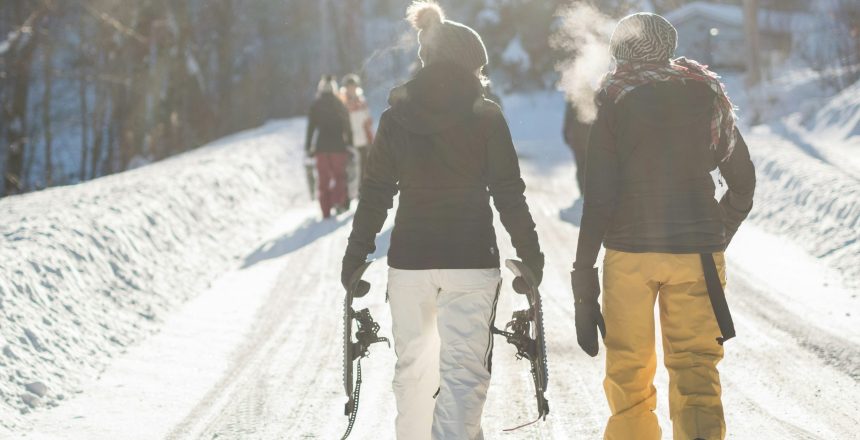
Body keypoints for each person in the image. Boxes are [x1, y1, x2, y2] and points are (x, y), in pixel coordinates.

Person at [340, 2, 543, 438]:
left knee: (412, 370)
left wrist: (355, 256)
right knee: (463, 375)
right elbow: (509, 193)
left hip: (410, 261)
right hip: (471, 259)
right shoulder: (486, 116)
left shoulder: (397, 117)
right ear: (471, 65)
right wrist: (531, 256)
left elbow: (375, 192)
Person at [569, 13, 756, 440]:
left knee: (630, 373)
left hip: (630, 256)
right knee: (695, 369)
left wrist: (583, 276)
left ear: (621, 51)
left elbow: (598, 198)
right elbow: (743, 182)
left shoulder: (613, 96)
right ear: (667, 46)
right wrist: (715, 233)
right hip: (697, 256)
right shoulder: (706, 92)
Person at [306, 75, 353, 218]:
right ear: (334, 88)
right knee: (339, 177)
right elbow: (347, 125)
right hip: (338, 147)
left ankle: (325, 210)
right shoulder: (339, 103)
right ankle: (337, 201)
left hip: (321, 148)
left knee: (323, 180)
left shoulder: (316, 105)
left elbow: (311, 128)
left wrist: (308, 146)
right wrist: (349, 143)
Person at [341, 74, 375, 201]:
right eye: (349, 87)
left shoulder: (362, 101)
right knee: (349, 171)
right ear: (346, 88)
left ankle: (362, 194)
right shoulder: (343, 103)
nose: (352, 89)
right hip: (349, 142)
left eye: (354, 87)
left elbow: (368, 120)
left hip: (363, 141)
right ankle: (347, 197)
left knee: (364, 169)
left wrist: (370, 138)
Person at [563, 100, 591, 195]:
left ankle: (583, 190)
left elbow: (568, 118)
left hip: (577, 138)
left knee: (581, 165)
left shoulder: (573, 97)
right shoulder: (592, 94)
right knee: (589, 165)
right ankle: (587, 190)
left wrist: (565, 133)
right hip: (588, 137)